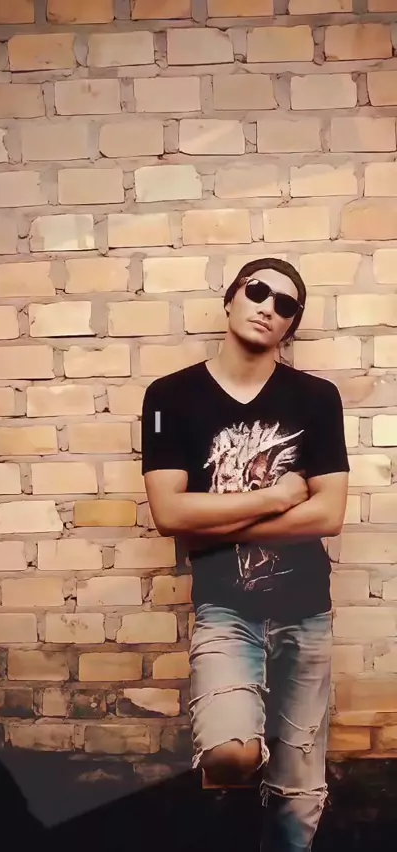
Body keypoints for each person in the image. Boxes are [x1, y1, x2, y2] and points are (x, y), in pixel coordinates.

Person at [140, 257, 349, 852]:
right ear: (230, 299)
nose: (268, 308)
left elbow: (327, 515)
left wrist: (215, 523)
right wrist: (275, 498)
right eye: (257, 291)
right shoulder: (169, 397)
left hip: (306, 610)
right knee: (231, 754)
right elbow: (168, 513)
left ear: (291, 325)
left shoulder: (316, 398)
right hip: (225, 611)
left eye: (285, 305)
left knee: (298, 785)